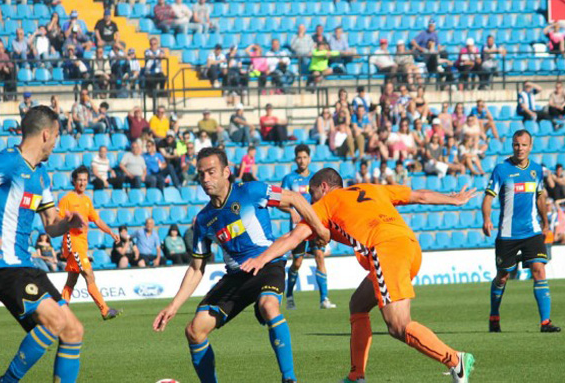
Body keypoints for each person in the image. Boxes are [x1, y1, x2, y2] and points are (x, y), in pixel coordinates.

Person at [241, 168, 478, 383]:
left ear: (324, 187)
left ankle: (456, 361)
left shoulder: (325, 204)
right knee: (358, 304)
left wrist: (261, 259)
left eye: (313, 195)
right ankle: (356, 376)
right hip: (408, 245)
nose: (311, 202)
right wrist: (453, 199)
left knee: (398, 326)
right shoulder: (371, 188)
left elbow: (291, 238)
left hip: (384, 250)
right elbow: (420, 196)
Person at [152, 147, 329, 383]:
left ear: (226, 172)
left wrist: (320, 229)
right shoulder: (204, 220)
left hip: (268, 265)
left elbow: (295, 198)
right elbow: (196, 268)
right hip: (236, 276)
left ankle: (289, 379)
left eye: (211, 172)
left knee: (269, 306)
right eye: (201, 174)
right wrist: (173, 306)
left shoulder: (252, 191)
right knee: (194, 331)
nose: (206, 179)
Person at [0, 105, 84, 382]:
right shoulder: (7, 162)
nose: (56, 143)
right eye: (56, 136)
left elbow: (51, 226)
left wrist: (68, 223)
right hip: (1, 265)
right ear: (46, 134)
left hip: (25, 266)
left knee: (73, 330)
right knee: (54, 322)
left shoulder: (41, 175)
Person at [483, 130, 561, 333]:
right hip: (507, 235)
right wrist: (486, 219)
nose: (520, 148)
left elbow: (540, 197)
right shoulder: (501, 169)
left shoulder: (536, 170)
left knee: (539, 270)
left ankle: (545, 322)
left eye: (524, 145)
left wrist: (544, 222)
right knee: (502, 277)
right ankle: (494, 315)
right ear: (512, 145)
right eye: (517, 144)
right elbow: (488, 198)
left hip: (532, 232)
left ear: (530, 146)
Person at [59, 166, 121, 319]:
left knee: (71, 280)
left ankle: (60, 311)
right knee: (89, 274)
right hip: (73, 244)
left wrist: (110, 232)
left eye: (85, 180)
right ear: (74, 181)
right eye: (79, 179)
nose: (82, 182)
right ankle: (104, 310)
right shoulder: (67, 199)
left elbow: (96, 219)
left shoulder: (86, 200)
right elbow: (58, 220)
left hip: (82, 245)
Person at [282, 144, 336, 310]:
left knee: (319, 256)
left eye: (305, 157)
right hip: (299, 227)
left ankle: (324, 299)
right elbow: (279, 200)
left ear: (309, 159)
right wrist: (291, 210)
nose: (302, 160)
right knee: (297, 262)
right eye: (299, 157)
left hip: (316, 226)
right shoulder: (289, 179)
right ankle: (289, 295)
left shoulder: (317, 178)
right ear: (295, 159)